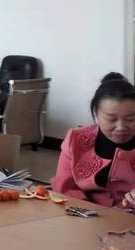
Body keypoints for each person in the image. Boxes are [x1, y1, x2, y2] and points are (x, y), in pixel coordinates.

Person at [52, 73, 135, 209]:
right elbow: (64, 188)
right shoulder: (75, 139)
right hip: (83, 214)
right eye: (111, 119)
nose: (121, 127)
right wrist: (91, 213)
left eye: (131, 119)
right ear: (96, 115)